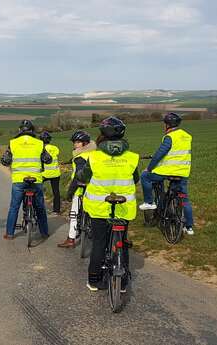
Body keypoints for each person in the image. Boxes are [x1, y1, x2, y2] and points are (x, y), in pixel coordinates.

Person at [77, 117, 139, 292]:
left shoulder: (94, 157)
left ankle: (94, 280)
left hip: (99, 208)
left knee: (99, 243)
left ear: (102, 135)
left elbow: (84, 177)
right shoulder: (132, 157)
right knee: (123, 243)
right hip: (123, 207)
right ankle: (123, 283)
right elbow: (136, 179)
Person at [138, 112, 194, 235]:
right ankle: (189, 227)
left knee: (145, 176)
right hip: (183, 172)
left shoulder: (170, 137)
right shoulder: (186, 136)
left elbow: (160, 153)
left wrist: (149, 168)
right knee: (184, 199)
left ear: (167, 125)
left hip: (168, 171)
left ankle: (149, 202)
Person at [1, 120, 52, 239]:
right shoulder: (39, 143)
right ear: (32, 130)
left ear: (20, 130)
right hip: (36, 179)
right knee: (40, 207)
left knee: (14, 207)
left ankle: (9, 233)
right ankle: (44, 232)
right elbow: (48, 159)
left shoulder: (13, 143)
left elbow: (6, 161)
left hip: (19, 179)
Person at [57, 130, 96, 248]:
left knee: (74, 215)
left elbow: (78, 177)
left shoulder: (80, 158)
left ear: (85, 144)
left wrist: (70, 192)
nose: (75, 144)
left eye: (78, 142)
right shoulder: (94, 154)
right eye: (74, 142)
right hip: (94, 190)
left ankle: (71, 239)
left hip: (80, 190)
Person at [39, 131, 61, 215]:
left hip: (43, 174)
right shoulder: (55, 148)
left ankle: (39, 208)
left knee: (38, 190)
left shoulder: (40, 149)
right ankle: (56, 210)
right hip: (55, 173)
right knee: (56, 192)